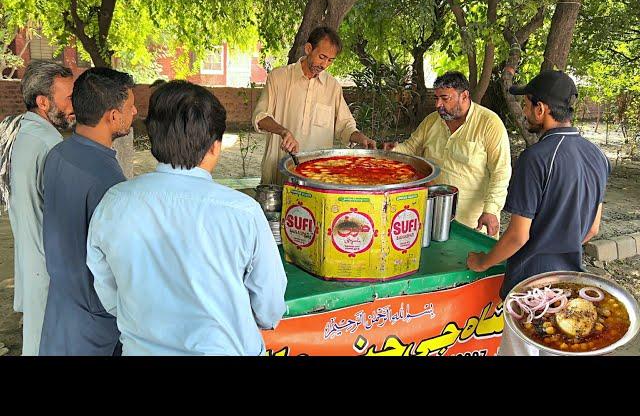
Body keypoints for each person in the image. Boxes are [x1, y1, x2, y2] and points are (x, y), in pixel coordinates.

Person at [87, 80, 287, 355]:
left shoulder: (114, 203)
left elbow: (110, 294)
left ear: (153, 139)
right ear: (216, 146)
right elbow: (270, 307)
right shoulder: (244, 213)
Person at [466, 70, 610, 356]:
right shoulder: (598, 157)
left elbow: (518, 236)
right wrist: (561, 240)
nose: (525, 111)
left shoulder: (535, 158)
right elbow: (592, 229)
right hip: (570, 285)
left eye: (528, 104)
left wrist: (482, 262)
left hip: (529, 290)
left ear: (541, 109)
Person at [39, 67, 137, 356]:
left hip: (60, 311)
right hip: (95, 327)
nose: (135, 112)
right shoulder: (107, 180)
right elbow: (117, 265)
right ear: (113, 116)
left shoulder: (58, 154)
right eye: (130, 107)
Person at [0, 60, 74, 355]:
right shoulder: (51, 145)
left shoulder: (14, 130)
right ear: (44, 102)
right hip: (50, 270)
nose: (74, 104)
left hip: (30, 261)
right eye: (68, 97)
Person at [384, 71, 511, 236]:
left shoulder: (489, 124)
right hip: (431, 215)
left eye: (445, 98)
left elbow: (501, 172)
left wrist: (491, 209)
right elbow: (410, 148)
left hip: (472, 223)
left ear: (464, 96)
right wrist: (393, 151)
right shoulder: (431, 121)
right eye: (437, 98)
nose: (438, 105)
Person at [252, 26, 376, 185]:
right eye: (322, 57)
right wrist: (283, 131)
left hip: (318, 179)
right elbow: (260, 117)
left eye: (330, 60)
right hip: (278, 175)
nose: (324, 64)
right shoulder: (279, 77)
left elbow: (345, 126)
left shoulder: (333, 87)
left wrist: (360, 137)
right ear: (308, 48)